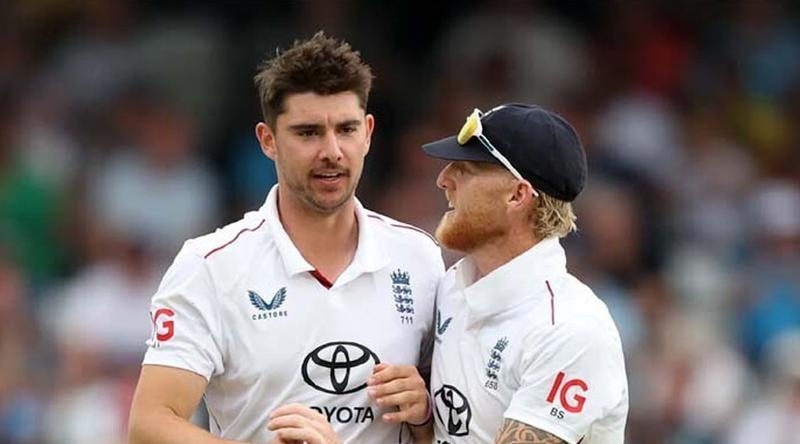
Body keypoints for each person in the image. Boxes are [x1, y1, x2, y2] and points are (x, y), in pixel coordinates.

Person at [128, 32, 443, 444]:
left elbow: (458, 420)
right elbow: (149, 425)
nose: (332, 151)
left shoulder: (420, 258)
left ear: (367, 133)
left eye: (346, 129)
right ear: (268, 140)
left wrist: (424, 415)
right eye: (308, 132)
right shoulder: (210, 266)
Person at [422, 104, 628, 443]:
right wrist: (421, 419)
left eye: (465, 169)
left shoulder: (571, 328)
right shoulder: (449, 286)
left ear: (517, 195)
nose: (443, 179)